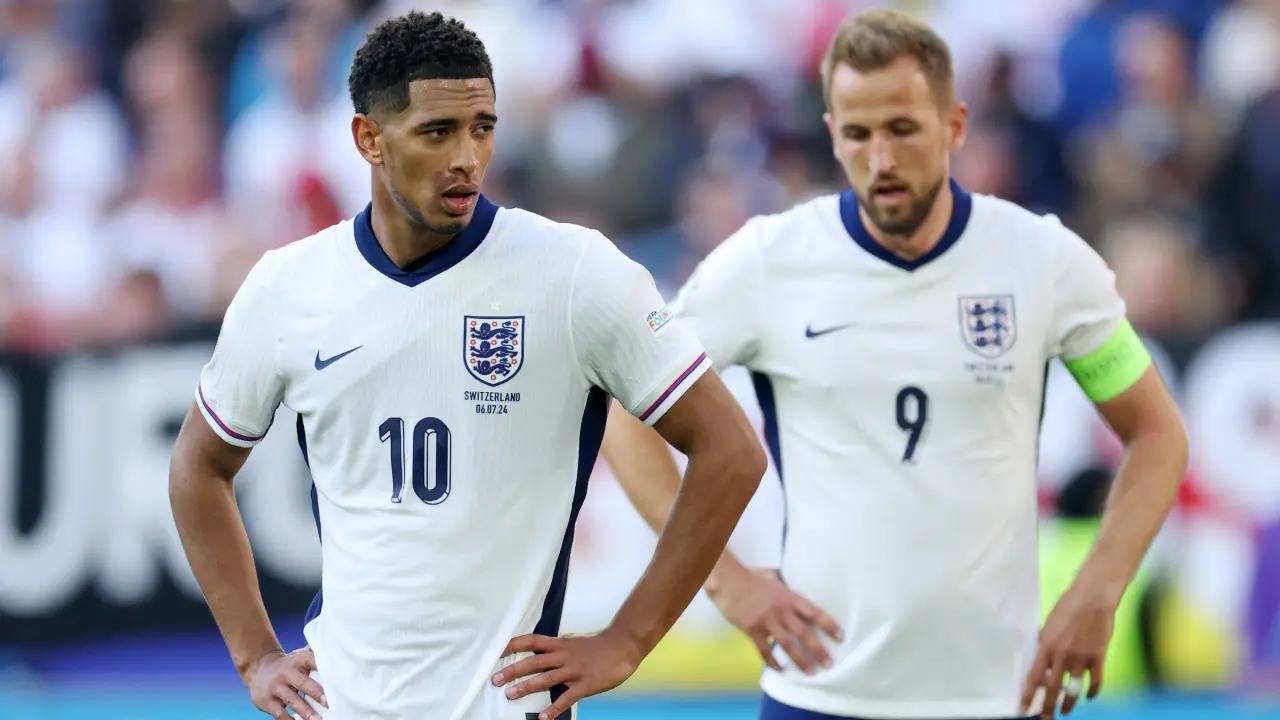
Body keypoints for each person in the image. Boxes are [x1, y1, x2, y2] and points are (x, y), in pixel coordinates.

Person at [168, 11, 766, 720]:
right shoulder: (287, 286)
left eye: (482, 128)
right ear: (368, 139)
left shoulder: (575, 273)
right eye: (437, 132)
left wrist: (628, 640)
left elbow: (731, 451)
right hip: (342, 706)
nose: (467, 157)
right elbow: (198, 467)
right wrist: (254, 654)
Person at [600, 9, 1188, 720]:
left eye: (903, 129)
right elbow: (627, 414)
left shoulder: (1045, 260)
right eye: (858, 133)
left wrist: (1097, 593)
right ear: (832, 135)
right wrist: (726, 582)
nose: (880, 158)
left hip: (994, 696)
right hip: (818, 694)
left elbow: (1157, 433)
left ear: (955, 125)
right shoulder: (768, 262)